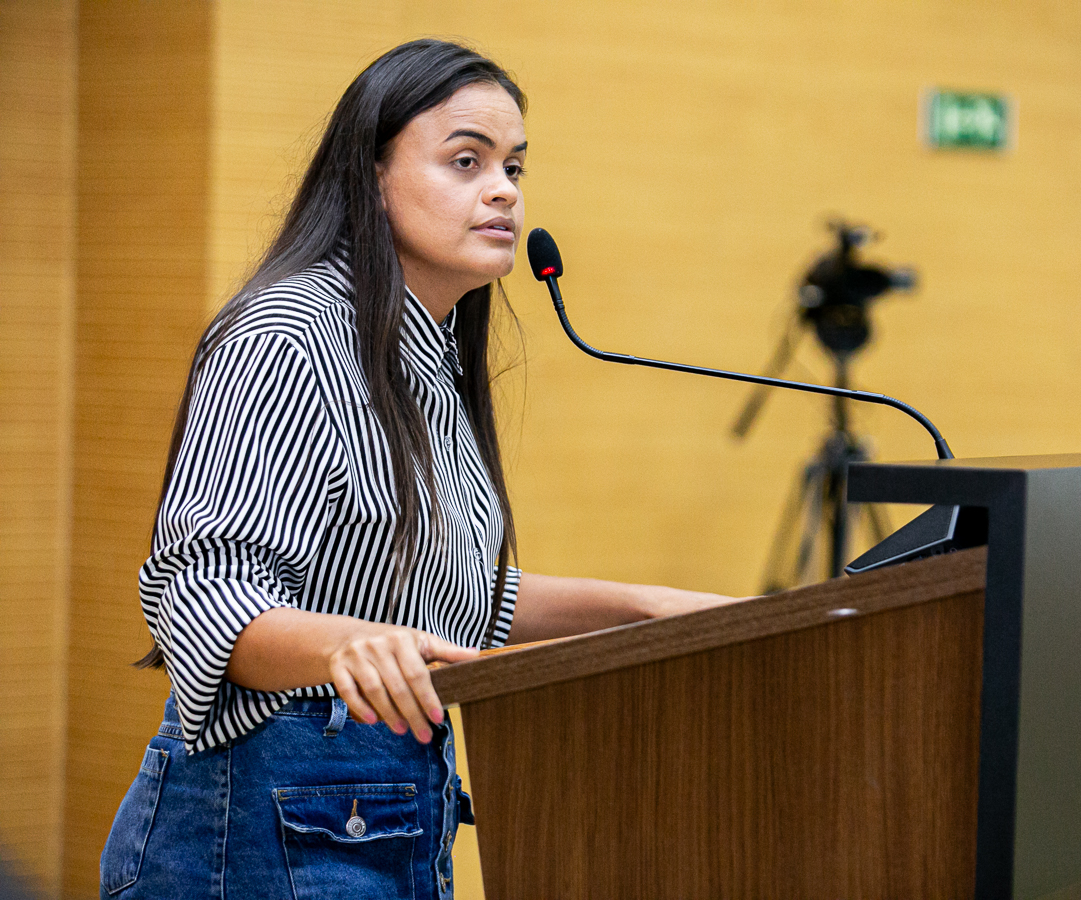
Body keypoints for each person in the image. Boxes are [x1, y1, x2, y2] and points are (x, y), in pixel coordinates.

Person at [99, 38, 735, 900]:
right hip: (257, 823)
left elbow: (442, 596)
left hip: (375, 808)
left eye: (513, 166)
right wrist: (350, 645)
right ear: (370, 176)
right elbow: (205, 595)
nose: (504, 190)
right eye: (465, 161)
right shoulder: (289, 335)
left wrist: (645, 609)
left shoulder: (427, 354)